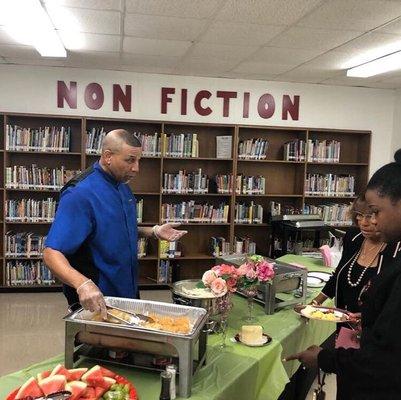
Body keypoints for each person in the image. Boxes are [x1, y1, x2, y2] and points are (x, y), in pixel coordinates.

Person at [285, 150, 401, 400]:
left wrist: (324, 358)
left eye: (376, 212)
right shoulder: (356, 240)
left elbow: (386, 362)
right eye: (362, 215)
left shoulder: (395, 255)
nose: (372, 222)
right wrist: (370, 318)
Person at [43, 129, 187, 319]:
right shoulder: (80, 193)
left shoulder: (121, 185)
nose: (136, 168)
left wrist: (154, 231)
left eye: (138, 161)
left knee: (130, 345)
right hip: (98, 298)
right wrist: (82, 284)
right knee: (99, 349)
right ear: (108, 156)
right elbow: (51, 253)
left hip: (127, 290)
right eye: (130, 160)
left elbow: (114, 228)